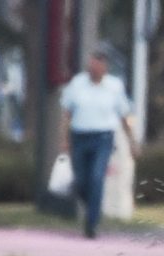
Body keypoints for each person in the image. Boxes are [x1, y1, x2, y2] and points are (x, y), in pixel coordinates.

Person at [59, 50, 137, 239]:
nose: (94, 70)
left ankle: (91, 223)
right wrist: (64, 138)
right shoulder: (77, 84)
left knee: (96, 177)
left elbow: (124, 115)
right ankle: (94, 204)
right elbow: (67, 114)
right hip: (80, 136)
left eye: (98, 67)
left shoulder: (114, 86)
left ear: (104, 68)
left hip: (103, 138)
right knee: (81, 181)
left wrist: (132, 141)